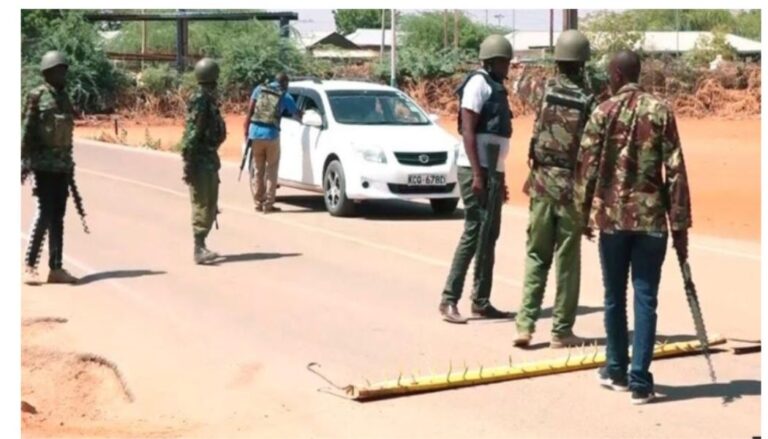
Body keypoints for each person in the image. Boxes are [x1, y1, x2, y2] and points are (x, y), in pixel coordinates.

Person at [574, 50, 692, 405]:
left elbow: (586, 167)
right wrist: (681, 224)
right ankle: (639, 380)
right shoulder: (661, 110)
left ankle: (616, 369)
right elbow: (676, 170)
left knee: (614, 297)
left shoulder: (602, 111)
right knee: (645, 298)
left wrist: (582, 215)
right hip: (652, 221)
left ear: (616, 73)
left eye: (609, 73)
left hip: (612, 220)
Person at [513, 30, 596, 349]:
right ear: (583, 63)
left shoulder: (543, 89)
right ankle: (561, 331)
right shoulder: (588, 100)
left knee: (536, 255)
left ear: (559, 61)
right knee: (567, 260)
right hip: (571, 188)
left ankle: (525, 325)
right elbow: (592, 152)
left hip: (541, 184)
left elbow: (518, 85)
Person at [438, 34, 514, 324]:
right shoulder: (478, 84)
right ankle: (449, 300)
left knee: (489, 237)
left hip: (492, 170)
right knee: (473, 233)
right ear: (493, 61)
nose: (507, 67)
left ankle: (481, 301)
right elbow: (468, 131)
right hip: (476, 169)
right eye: (504, 62)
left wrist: (498, 178)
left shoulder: (496, 86)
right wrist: (479, 174)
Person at [22, 51, 79, 285]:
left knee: (59, 216)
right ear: (48, 72)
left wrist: (69, 164)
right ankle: (29, 265)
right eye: (59, 70)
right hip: (43, 166)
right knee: (44, 213)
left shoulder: (65, 98)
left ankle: (56, 268)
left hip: (62, 166)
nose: (63, 74)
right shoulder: (36, 96)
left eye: (64, 69)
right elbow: (26, 131)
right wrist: (24, 161)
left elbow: (68, 135)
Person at [181, 58, 227, 265]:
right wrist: (189, 162)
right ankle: (198, 248)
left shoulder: (207, 99)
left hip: (208, 158)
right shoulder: (200, 100)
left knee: (210, 202)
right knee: (202, 202)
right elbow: (193, 133)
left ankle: (202, 245)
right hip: (200, 160)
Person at [243, 72, 303, 213]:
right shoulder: (285, 96)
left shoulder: (259, 89)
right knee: (271, 170)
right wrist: (303, 114)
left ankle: (258, 202)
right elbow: (295, 113)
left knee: (258, 170)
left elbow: (250, 110)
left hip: (255, 134)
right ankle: (268, 204)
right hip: (271, 135)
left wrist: (246, 130)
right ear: (285, 84)